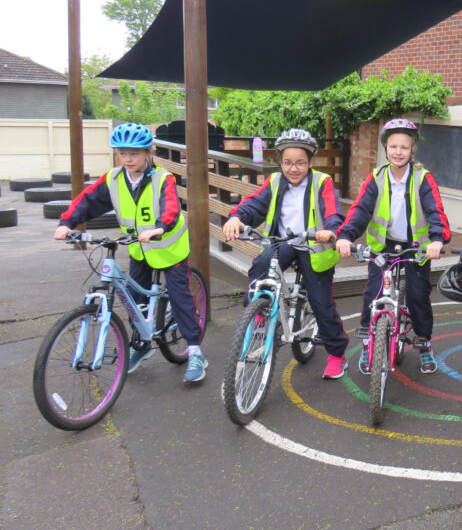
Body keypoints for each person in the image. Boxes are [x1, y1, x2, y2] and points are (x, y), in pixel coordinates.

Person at [54, 122, 207, 382]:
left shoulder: (162, 178)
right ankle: (142, 344)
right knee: (135, 299)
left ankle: (195, 351)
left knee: (180, 297)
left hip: (168, 247)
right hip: (139, 248)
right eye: (122, 153)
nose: (127, 158)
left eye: (134, 153)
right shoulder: (113, 178)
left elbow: (169, 205)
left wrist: (160, 227)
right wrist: (66, 223)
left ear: (149, 153)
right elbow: (88, 200)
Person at [223, 128, 351, 379]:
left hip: (315, 246)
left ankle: (337, 354)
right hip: (282, 242)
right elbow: (253, 204)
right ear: (280, 162)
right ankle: (258, 314)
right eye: (288, 163)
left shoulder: (321, 181)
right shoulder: (274, 181)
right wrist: (236, 217)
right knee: (260, 265)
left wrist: (331, 230)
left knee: (321, 304)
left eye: (300, 163)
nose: (294, 169)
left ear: (310, 162)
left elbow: (332, 210)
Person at [335, 118, 451, 375]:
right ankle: (368, 342)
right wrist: (345, 236)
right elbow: (360, 211)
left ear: (412, 150)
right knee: (373, 293)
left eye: (404, 147)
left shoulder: (422, 178)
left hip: (416, 247)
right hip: (382, 246)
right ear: (385, 148)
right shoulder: (376, 178)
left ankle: (424, 343)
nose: (398, 152)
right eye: (393, 146)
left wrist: (437, 239)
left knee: (418, 295)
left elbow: (435, 211)